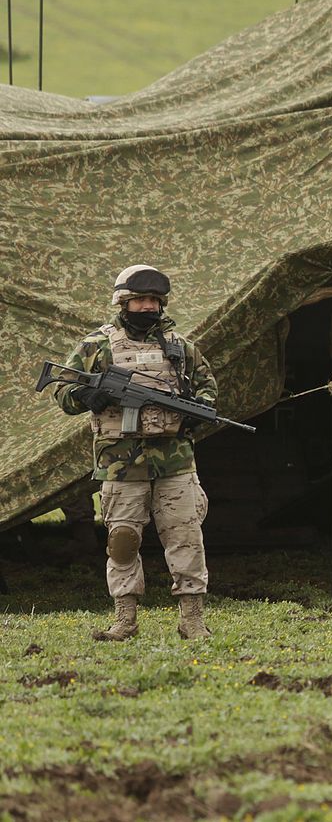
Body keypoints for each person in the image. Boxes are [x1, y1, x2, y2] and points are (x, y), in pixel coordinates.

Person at [52, 265, 217, 641]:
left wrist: (197, 412)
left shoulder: (179, 347)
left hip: (175, 461)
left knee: (186, 538)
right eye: (140, 300)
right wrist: (87, 396)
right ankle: (125, 620)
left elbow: (208, 387)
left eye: (154, 301)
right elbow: (62, 389)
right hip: (120, 463)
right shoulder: (97, 346)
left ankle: (192, 620)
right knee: (123, 540)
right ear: (123, 302)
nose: (147, 307)